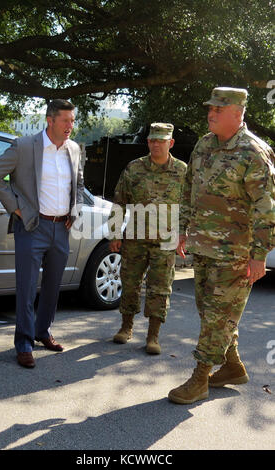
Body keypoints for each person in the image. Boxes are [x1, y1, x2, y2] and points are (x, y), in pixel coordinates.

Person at [168, 87, 275, 404]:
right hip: (203, 246)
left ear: (237, 112)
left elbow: (267, 208)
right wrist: (183, 229)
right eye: (210, 108)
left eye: (218, 108)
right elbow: (190, 190)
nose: (211, 113)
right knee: (210, 311)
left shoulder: (254, 152)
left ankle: (199, 378)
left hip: (236, 254)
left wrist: (260, 255)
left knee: (218, 316)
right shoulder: (203, 145)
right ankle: (232, 367)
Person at [0, 99, 84, 368]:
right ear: (50, 120)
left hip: (61, 227)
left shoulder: (74, 149)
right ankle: (24, 343)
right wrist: (17, 208)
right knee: (27, 288)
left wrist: (74, 211)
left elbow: (78, 182)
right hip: (32, 226)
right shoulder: (25, 146)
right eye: (65, 120)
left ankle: (43, 332)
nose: (70, 126)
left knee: (53, 286)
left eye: (72, 120)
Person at [109, 123, 187, 354]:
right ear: (148, 141)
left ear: (170, 143)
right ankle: (126, 327)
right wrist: (115, 233)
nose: (156, 144)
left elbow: (189, 207)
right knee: (130, 283)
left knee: (160, 288)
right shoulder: (134, 168)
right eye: (152, 140)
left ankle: (153, 336)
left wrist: (184, 235)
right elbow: (119, 201)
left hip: (166, 239)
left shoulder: (183, 171)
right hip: (135, 237)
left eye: (161, 141)